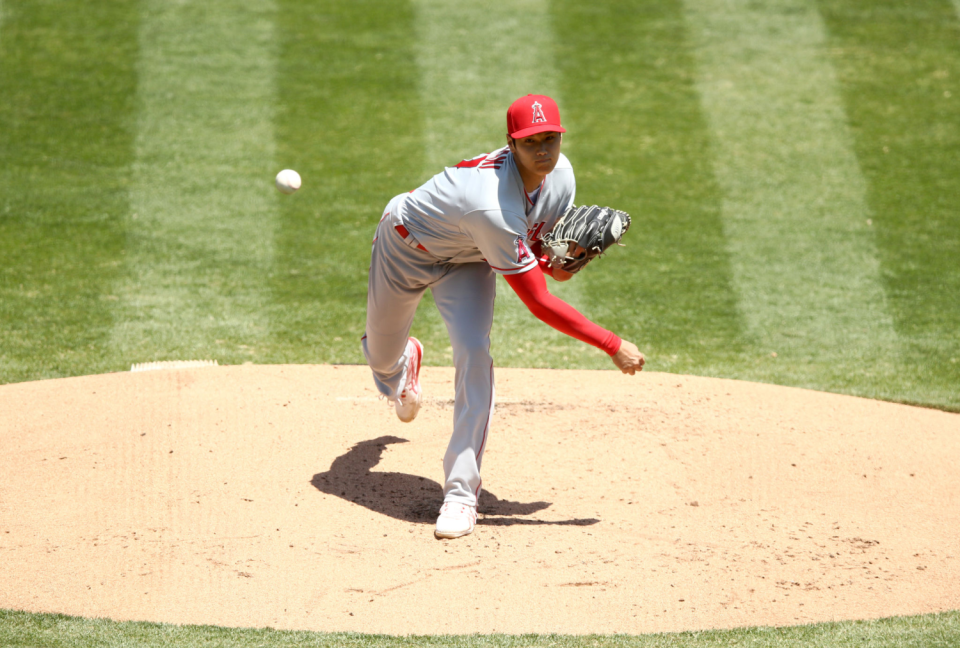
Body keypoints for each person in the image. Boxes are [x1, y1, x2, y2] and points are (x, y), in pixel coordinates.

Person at [362, 94, 644, 539]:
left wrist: (562, 263)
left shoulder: (561, 177)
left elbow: (544, 265)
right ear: (511, 144)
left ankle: (460, 495)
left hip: (470, 258)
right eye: (531, 142)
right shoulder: (489, 204)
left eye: (550, 139)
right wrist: (611, 343)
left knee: (474, 352)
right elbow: (538, 301)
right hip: (406, 247)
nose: (544, 151)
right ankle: (403, 368)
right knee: (380, 362)